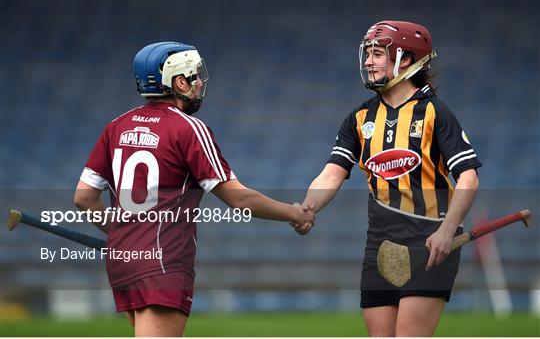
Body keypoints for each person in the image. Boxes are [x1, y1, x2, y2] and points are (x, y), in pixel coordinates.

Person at [73, 41, 314, 337]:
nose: (199, 83)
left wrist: (122, 236)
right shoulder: (188, 128)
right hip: (163, 263)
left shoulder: (117, 126)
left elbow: (84, 197)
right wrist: (293, 213)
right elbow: (240, 199)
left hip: (125, 263)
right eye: (194, 76)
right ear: (178, 82)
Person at [294, 21, 481, 336]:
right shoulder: (359, 118)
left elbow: (468, 177)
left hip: (429, 241)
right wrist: (308, 208)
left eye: (378, 53)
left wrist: (447, 231)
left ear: (405, 59)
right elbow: (333, 171)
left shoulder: (435, 113)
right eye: (367, 53)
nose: (368, 61)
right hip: (380, 245)